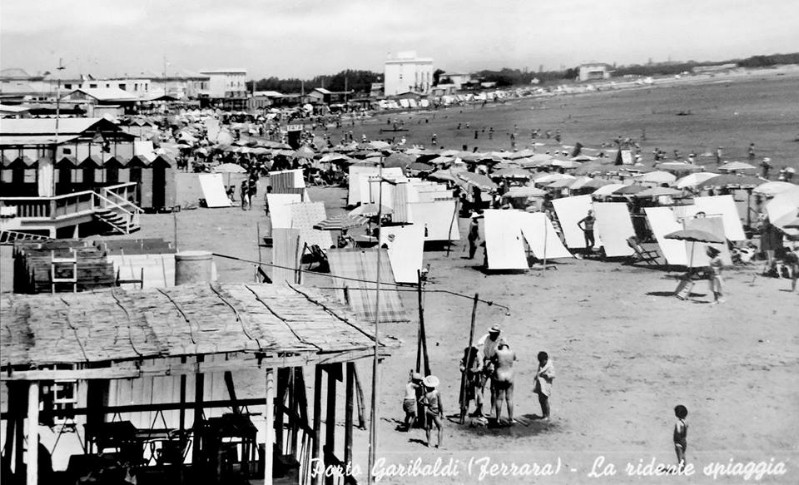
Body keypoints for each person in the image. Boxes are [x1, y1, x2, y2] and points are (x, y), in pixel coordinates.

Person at [491, 343, 516, 425]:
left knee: (499, 398)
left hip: (500, 375)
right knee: (509, 398)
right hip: (509, 376)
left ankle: (498, 419)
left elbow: (492, 359)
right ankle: (511, 418)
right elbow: (514, 359)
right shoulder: (512, 352)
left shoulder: (497, 352)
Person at [459, 345, 484, 420]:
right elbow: (461, 365)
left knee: (478, 394)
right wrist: (465, 369)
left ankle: (479, 411)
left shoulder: (478, 355)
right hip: (466, 377)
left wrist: (476, 370)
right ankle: (465, 411)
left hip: (475, 377)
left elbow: (481, 365)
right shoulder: (465, 354)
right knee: (465, 395)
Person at [420, 375, 443, 448]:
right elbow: (440, 404)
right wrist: (442, 413)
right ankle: (439, 445)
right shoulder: (437, 392)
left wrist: (424, 404)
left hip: (429, 411)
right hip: (435, 411)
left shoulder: (426, 393)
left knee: (428, 428)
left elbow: (419, 400)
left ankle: (428, 443)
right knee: (440, 427)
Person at [533, 351, 555, 420]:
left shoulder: (550, 366)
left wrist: (547, 375)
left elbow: (553, 375)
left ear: (546, 360)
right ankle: (544, 414)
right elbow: (538, 371)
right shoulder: (540, 364)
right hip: (540, 384)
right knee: (540, 400)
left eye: (542, 361)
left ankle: (547, 416)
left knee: (545, 400)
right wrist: (536, 376)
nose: (541, 363)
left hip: (546, 385)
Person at [673, 405, 689, 472]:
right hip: (684, 440)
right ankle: (684, 466)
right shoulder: (686, 422)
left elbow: (679, 431)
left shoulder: (678, 423)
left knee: (679, 455)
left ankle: (681, 468)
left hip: (678, 441)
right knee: (683, 454)